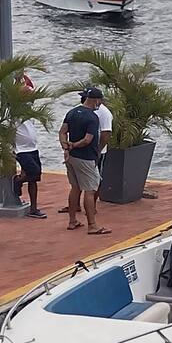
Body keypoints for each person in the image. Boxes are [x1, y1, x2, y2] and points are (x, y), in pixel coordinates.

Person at [60, 87, 110, 235]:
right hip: (86, 158)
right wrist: (75, 145)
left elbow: (62, 132)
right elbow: (88, 140)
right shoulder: (92, 117)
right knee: (90, 190)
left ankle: (72, 221)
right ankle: (92, 225)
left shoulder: (72, 112)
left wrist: (66, 147)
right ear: (97, 100)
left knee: (75, 188)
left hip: (71, 158)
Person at [13, 119, 46, 219]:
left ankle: (33, 209)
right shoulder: (14, 114)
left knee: (35, 178)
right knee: (34, 171)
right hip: (21, 150)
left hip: (33, 148)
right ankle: (18, 180)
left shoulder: (29, 114)